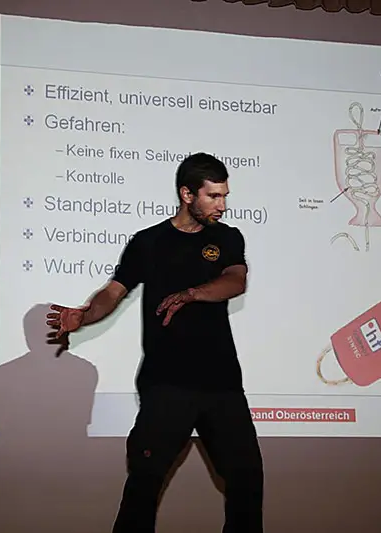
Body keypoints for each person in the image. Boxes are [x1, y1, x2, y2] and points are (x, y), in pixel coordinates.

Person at [45, 152, 264, 532]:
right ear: (187, 194)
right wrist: (84, 315)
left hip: (222, 385)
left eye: (224, 196)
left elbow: (235, 280)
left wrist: (193, 293)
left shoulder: (227, 237)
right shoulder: (149, 242)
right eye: (213, 196)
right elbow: (113, 293)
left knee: (247, 481)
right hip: (166, 383)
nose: (222, 205)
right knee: (144, 485)